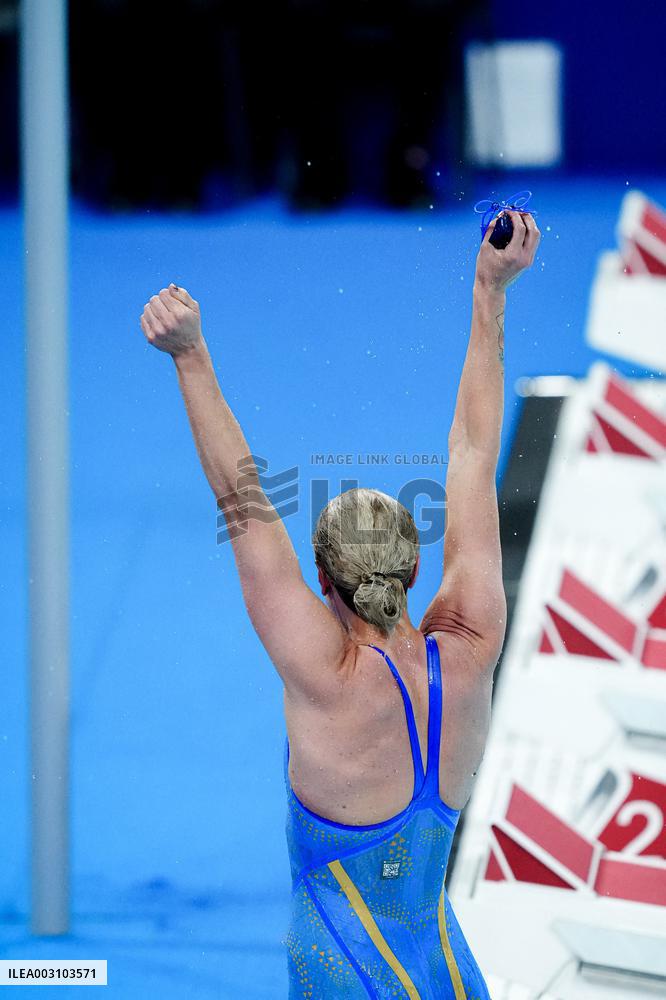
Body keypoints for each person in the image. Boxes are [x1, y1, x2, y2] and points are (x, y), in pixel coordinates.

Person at [139, 209, 540, 997]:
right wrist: (491, 293)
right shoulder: (470, 640)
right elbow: (472, 450)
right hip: (446, 964)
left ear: (324, 586)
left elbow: (242, 499)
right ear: (418, 566)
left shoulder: (324, 674)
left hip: (345, 970)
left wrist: (188, 354)